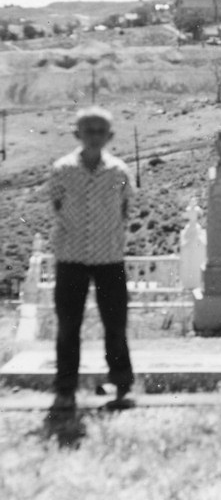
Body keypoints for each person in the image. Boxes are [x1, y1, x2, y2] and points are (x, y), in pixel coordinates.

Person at [49, 106, 135, 410]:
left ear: (110, 136)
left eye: (101, 131)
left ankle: (122, 385)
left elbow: (124, 210)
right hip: (71, 258)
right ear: (77, 134)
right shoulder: (62, 170)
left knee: (115, 325)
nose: (95, 136)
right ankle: (65, 390)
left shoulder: (119, 171)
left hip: (109, 258)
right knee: (68, 326)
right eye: (89, 130)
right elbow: (57, 205)